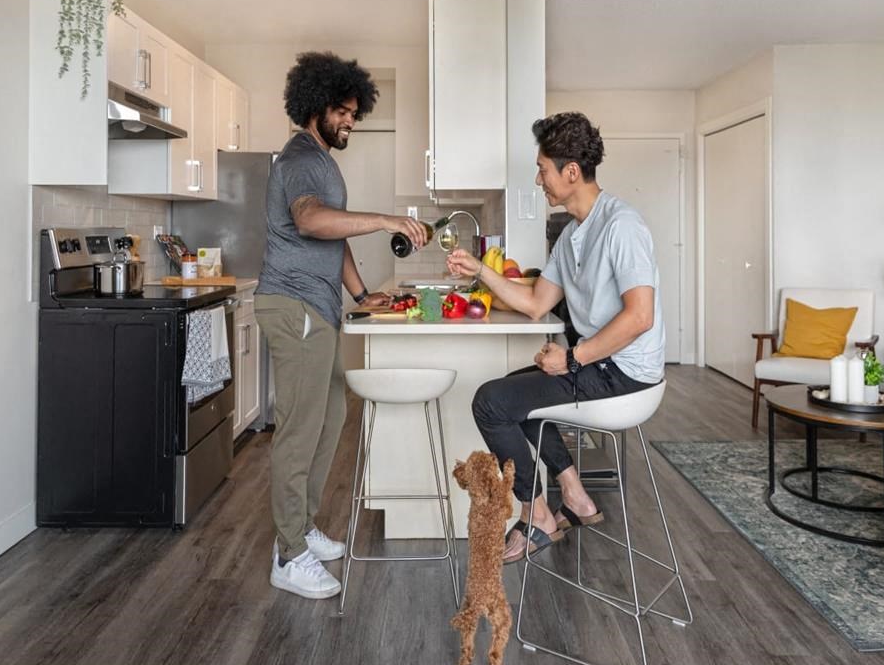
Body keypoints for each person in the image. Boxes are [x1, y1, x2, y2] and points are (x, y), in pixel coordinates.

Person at [446, 111, 665, 564]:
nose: (538, 179)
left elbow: (640, 317)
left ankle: (538, 515)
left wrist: (572, 358)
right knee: (515, 393)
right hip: (602, 365)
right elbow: (535, 302)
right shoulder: (572, 235)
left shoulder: (621, 225)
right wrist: (480, 269)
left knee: (491, 403)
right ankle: (576, 497)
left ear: (571, 172)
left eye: (543, 169)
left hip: (627, 373)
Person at [256, 51, 428, 598]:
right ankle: (288, 554)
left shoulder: (324, 161)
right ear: (316, 107)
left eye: (355, 113)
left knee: (329, 419)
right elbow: (310, 221)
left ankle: (302, 526)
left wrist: (360, 294)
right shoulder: (301, 157)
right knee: (299, 430)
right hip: (294, 305)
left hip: (320, 307)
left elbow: (334, 237)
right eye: (343, 112)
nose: (351, 121)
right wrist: (383, 219)